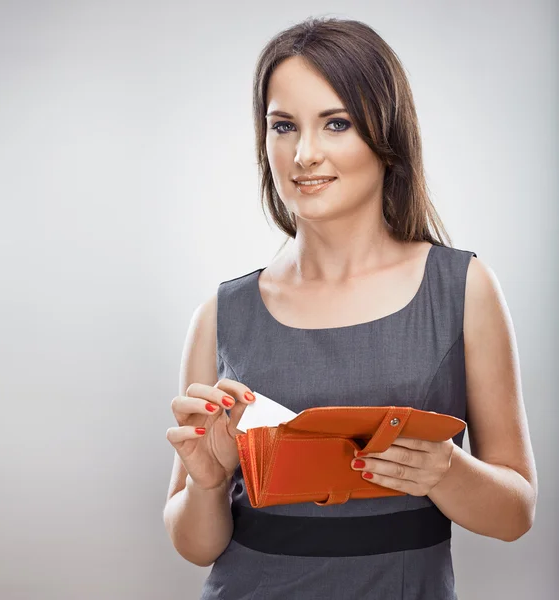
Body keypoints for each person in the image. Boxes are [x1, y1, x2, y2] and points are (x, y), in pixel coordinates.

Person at [163, 17, 537, 599]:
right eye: (283, 126)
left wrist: (446, 472)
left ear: (385, 133)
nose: (304, 154)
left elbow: (515, 515)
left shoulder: (462, 288)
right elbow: (194, 544)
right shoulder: (219, 314)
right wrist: (209, 485)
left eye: (335, 123)